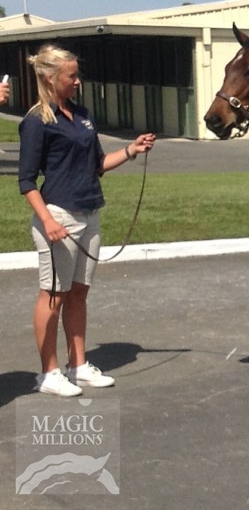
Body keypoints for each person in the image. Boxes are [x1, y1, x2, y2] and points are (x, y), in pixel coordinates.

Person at [18, 43, 156, 397]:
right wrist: (48, 220)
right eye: (72, 76)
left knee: (78, 293)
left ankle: (77, 366)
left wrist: (131, 150)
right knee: (53, 294)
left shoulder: (82, 115)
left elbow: (97, 165)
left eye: (77, 75)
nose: (78, 81)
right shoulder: (36, 121)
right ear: (51, 78)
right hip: (58, 217)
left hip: (90, 212)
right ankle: (48, 372)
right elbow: (26, 181)